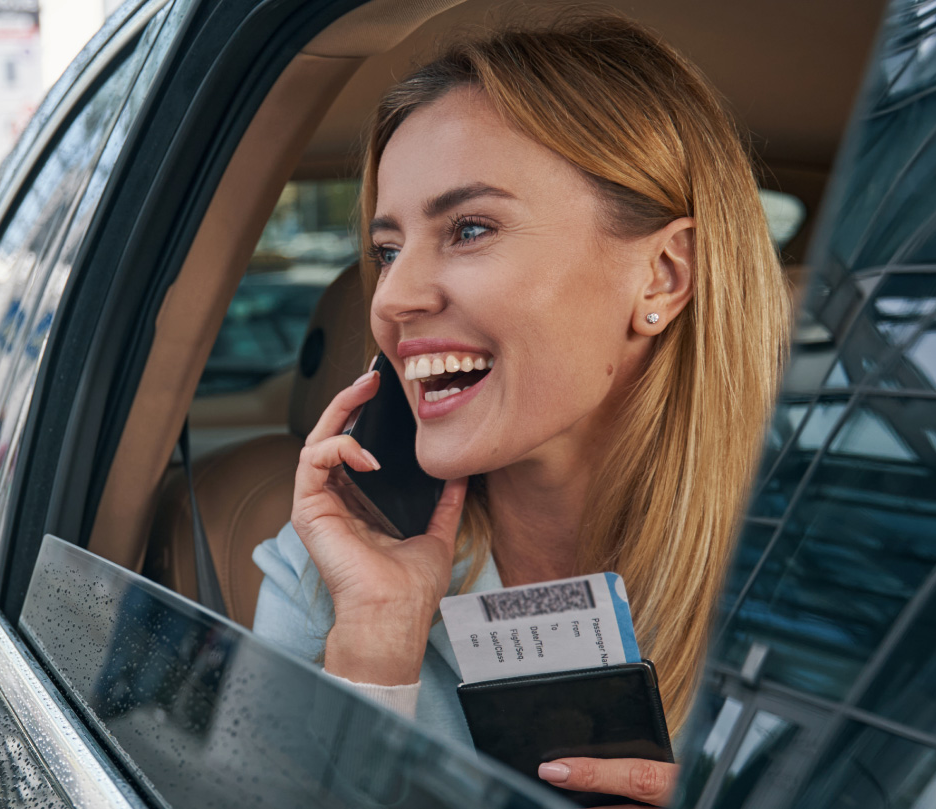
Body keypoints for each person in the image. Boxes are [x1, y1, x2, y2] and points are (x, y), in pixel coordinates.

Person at [251, 12, 789, 807]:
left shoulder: (823, 590)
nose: (393, 297)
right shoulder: (330, 573)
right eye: (388, 249)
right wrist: (373, 652)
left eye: (469, 228)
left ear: (663, 277)